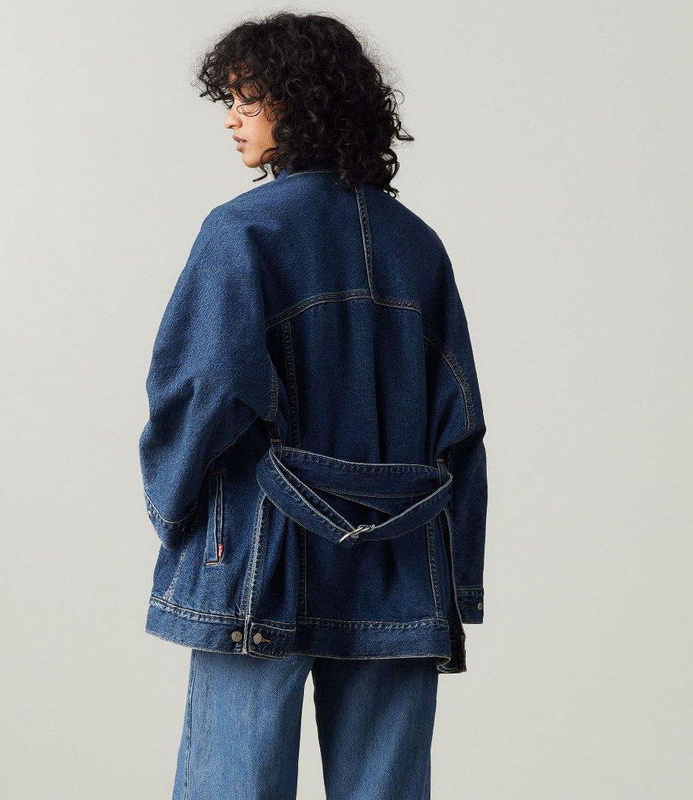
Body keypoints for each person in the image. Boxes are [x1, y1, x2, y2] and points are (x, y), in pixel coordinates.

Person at [138, 11, 488, 799]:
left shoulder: (241, 232)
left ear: (301, 103)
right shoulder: (418, 245)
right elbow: (460, 424)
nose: (231, 119)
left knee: (233, 786)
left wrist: (174, 509)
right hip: (401, 562)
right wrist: (457, 579)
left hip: (263, 557)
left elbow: (201, 391)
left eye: (248, 99)